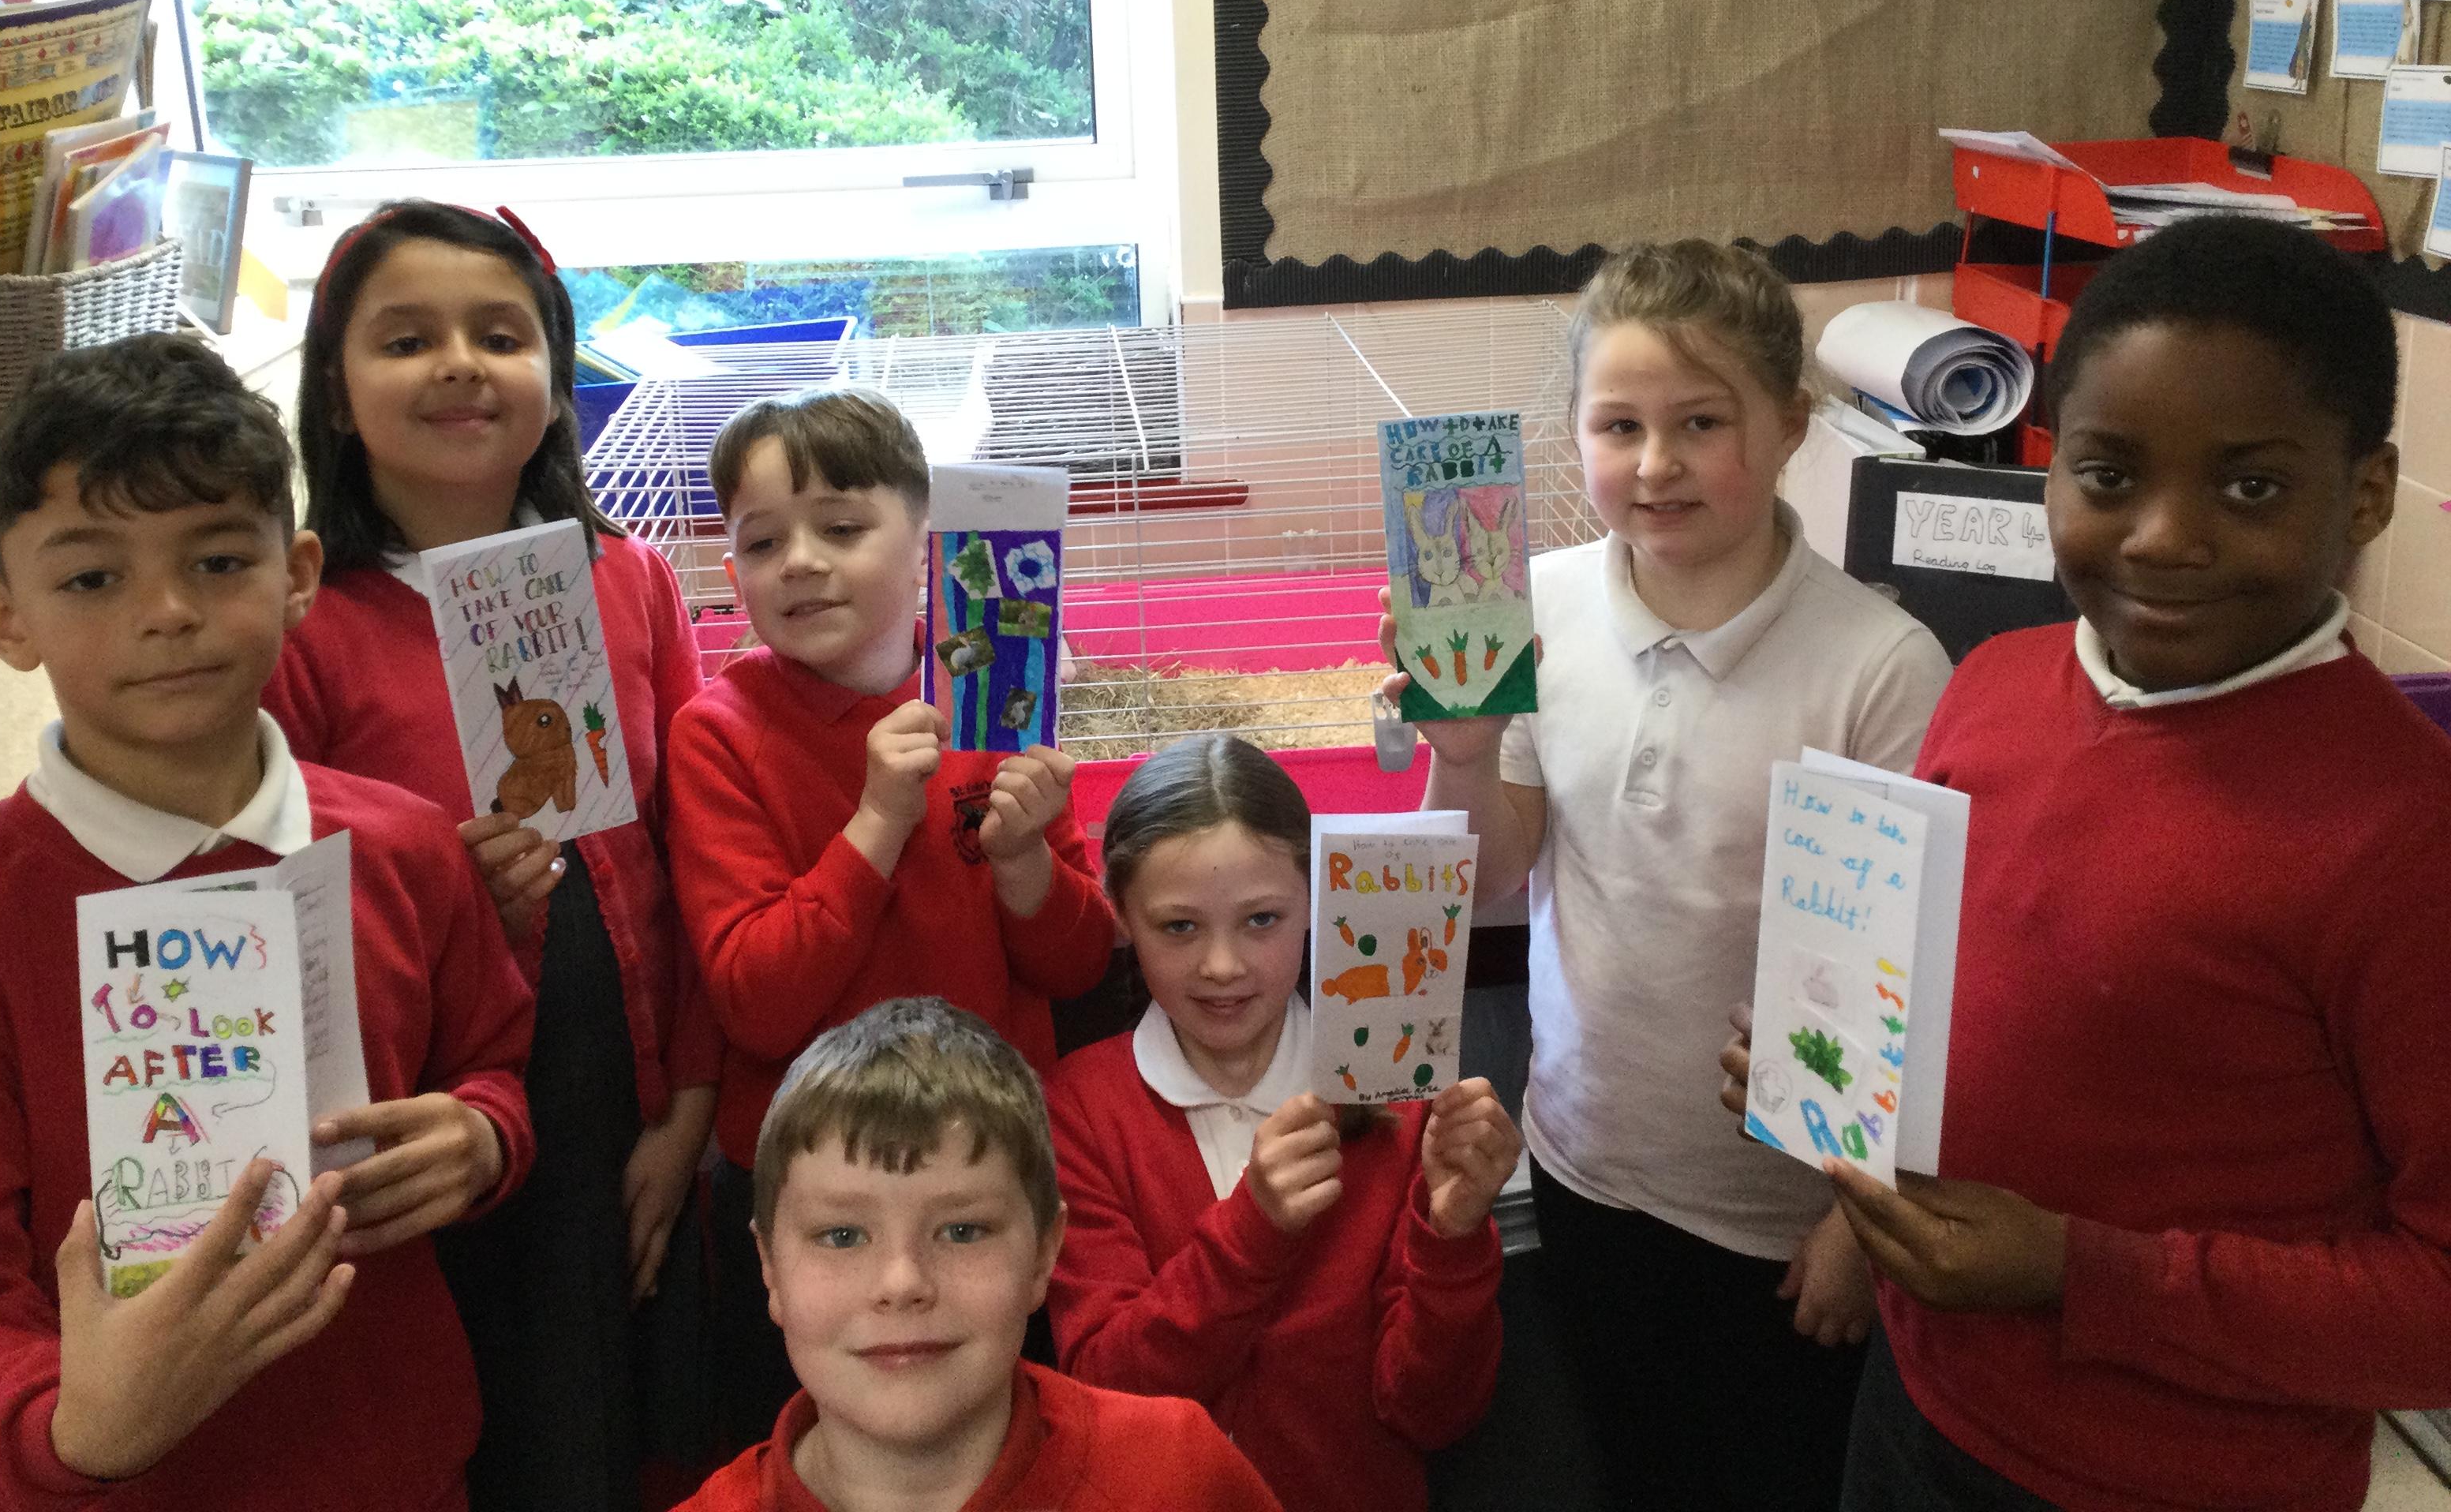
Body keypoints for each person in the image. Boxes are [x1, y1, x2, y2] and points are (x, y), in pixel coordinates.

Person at [1723, 216, 2451, 1511]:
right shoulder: (1992, 684)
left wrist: (2078, 1269)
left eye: (2248, 487)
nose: (2161, 537)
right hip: (1919, 1405)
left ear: (2365, 493)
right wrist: (1837, 1115)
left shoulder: (2408, 840)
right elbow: (1963, 1001)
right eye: (2109, 474)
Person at [0, 335, 535, 1509]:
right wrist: (71, 1425)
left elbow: (491, 1056)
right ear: (6, 618)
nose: (169, 613)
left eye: (220, 560)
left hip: (407, 1469)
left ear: (298, 576)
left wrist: (483, 1137)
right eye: (93, 579)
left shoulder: (404, 847)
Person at [1394, 241, 1953, 1508]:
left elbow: (1909, 973)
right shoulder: (1536, 608)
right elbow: (1495, 874)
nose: (1656, 465)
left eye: (1702, 423)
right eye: (1620, 426)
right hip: (1585, 1160)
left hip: (1780, 1215)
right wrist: (1464, 751)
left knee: (1770, 1477)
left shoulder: (1883, 666)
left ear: (1791, 425)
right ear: (1575, 432)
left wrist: (1862, 1220)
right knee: (1630, 1464)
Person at [265, 199, 718, 1510]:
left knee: (648, 1423)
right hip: (440, 1130)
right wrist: (449, 904)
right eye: (407, 339)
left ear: (556, 379)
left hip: (633, 1098)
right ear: (337, 391)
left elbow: (699, 857)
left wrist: (687, 1117)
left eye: (501, 336)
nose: (460, 365)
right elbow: (287, 926)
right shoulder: (305, 631)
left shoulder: (628, 579)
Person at [669, 386, 1115, 1447]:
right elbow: (756, 999)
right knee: (812, 1452)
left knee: (999, 1442)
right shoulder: (717, 734)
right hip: (811, 1188)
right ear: (732, 577)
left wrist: (1023, 863)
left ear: (927, 548)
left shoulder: (1000, 697)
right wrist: (875, 822)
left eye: (840, 528)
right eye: (764, 542)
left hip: (985, 1169)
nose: (801, 563)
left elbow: (1080, 963)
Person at [1043, 734, 1517, 1512]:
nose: (1223, 966)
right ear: (1121, 914)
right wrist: (1252, 1229)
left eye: (1262, 919)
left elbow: (1434, 1413)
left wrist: (1454, 1237)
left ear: (1315, 907)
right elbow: (1108, 1391)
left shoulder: (1397, 1098)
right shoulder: (1083, 1107)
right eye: (1179, 927)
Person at [683, 995, 1282, 1512]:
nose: (903, 1282)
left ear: (1045, 1253)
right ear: (769, 1267)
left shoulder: (1178, 1477)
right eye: (842, 1236)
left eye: (963, 1231)